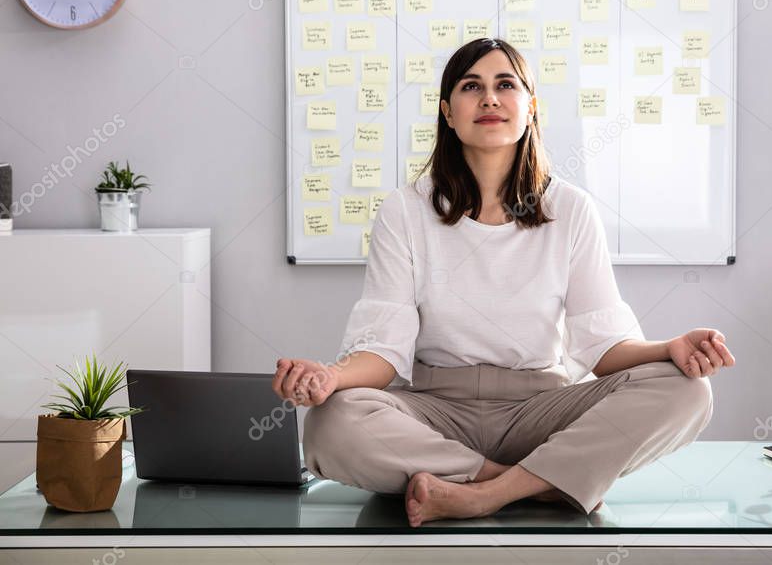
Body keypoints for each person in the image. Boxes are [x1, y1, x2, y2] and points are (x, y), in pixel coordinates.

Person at [272, 38, 736, 527]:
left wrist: (670, 347)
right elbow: (384, 353)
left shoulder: (570, 209)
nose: (490, 98)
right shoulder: (404, 211)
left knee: (688, 390)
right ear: (448, 112)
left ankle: (482, 494)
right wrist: (331, 378)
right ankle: (539, 486)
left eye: (505, 85)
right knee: (331, 420)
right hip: (434, 411)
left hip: (540, 410)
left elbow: (603, 348)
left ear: (530, 108)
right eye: (472, 86)